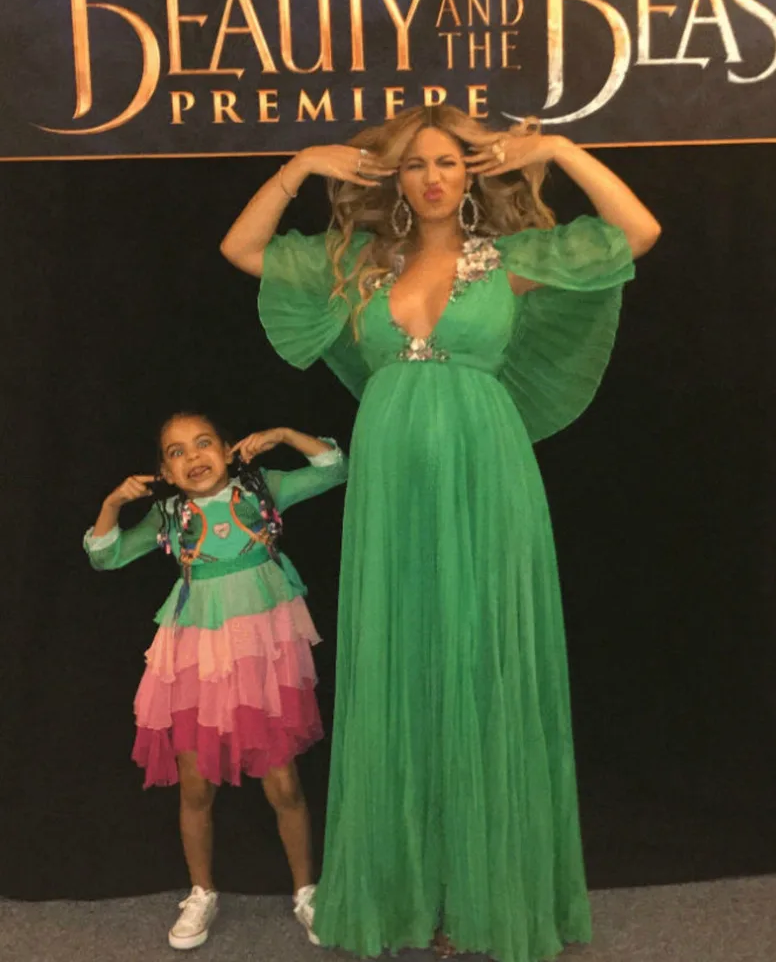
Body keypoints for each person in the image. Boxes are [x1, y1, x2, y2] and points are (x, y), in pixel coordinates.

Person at [220, 104, 661, 962]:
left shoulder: (511, 261)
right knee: (405, 658)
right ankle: (406, 895)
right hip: (392, 487)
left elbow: (637, 232)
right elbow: (243, 249)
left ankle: (487, 897)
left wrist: (558, 148)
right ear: (394, 176)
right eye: (417, 163)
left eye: (450, 161)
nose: (432, 176)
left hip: (488, 476)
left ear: (472, 174)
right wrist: (300, 166)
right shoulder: (359, 264)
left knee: (482, 657)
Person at [84, 414, 347, 950]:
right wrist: (113, 503)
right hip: (195, 659)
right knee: (196, 782)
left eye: (204, 444)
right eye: (176, 452)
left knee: (283, 781)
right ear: (165, 472)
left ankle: (306, 890)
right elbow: (105, 555)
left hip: (262, 659)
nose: (193, 457)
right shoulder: (169, 515)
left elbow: (333, 468)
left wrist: (283, 437)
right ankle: (202, 891)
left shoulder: (262, 490)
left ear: (229, 451)